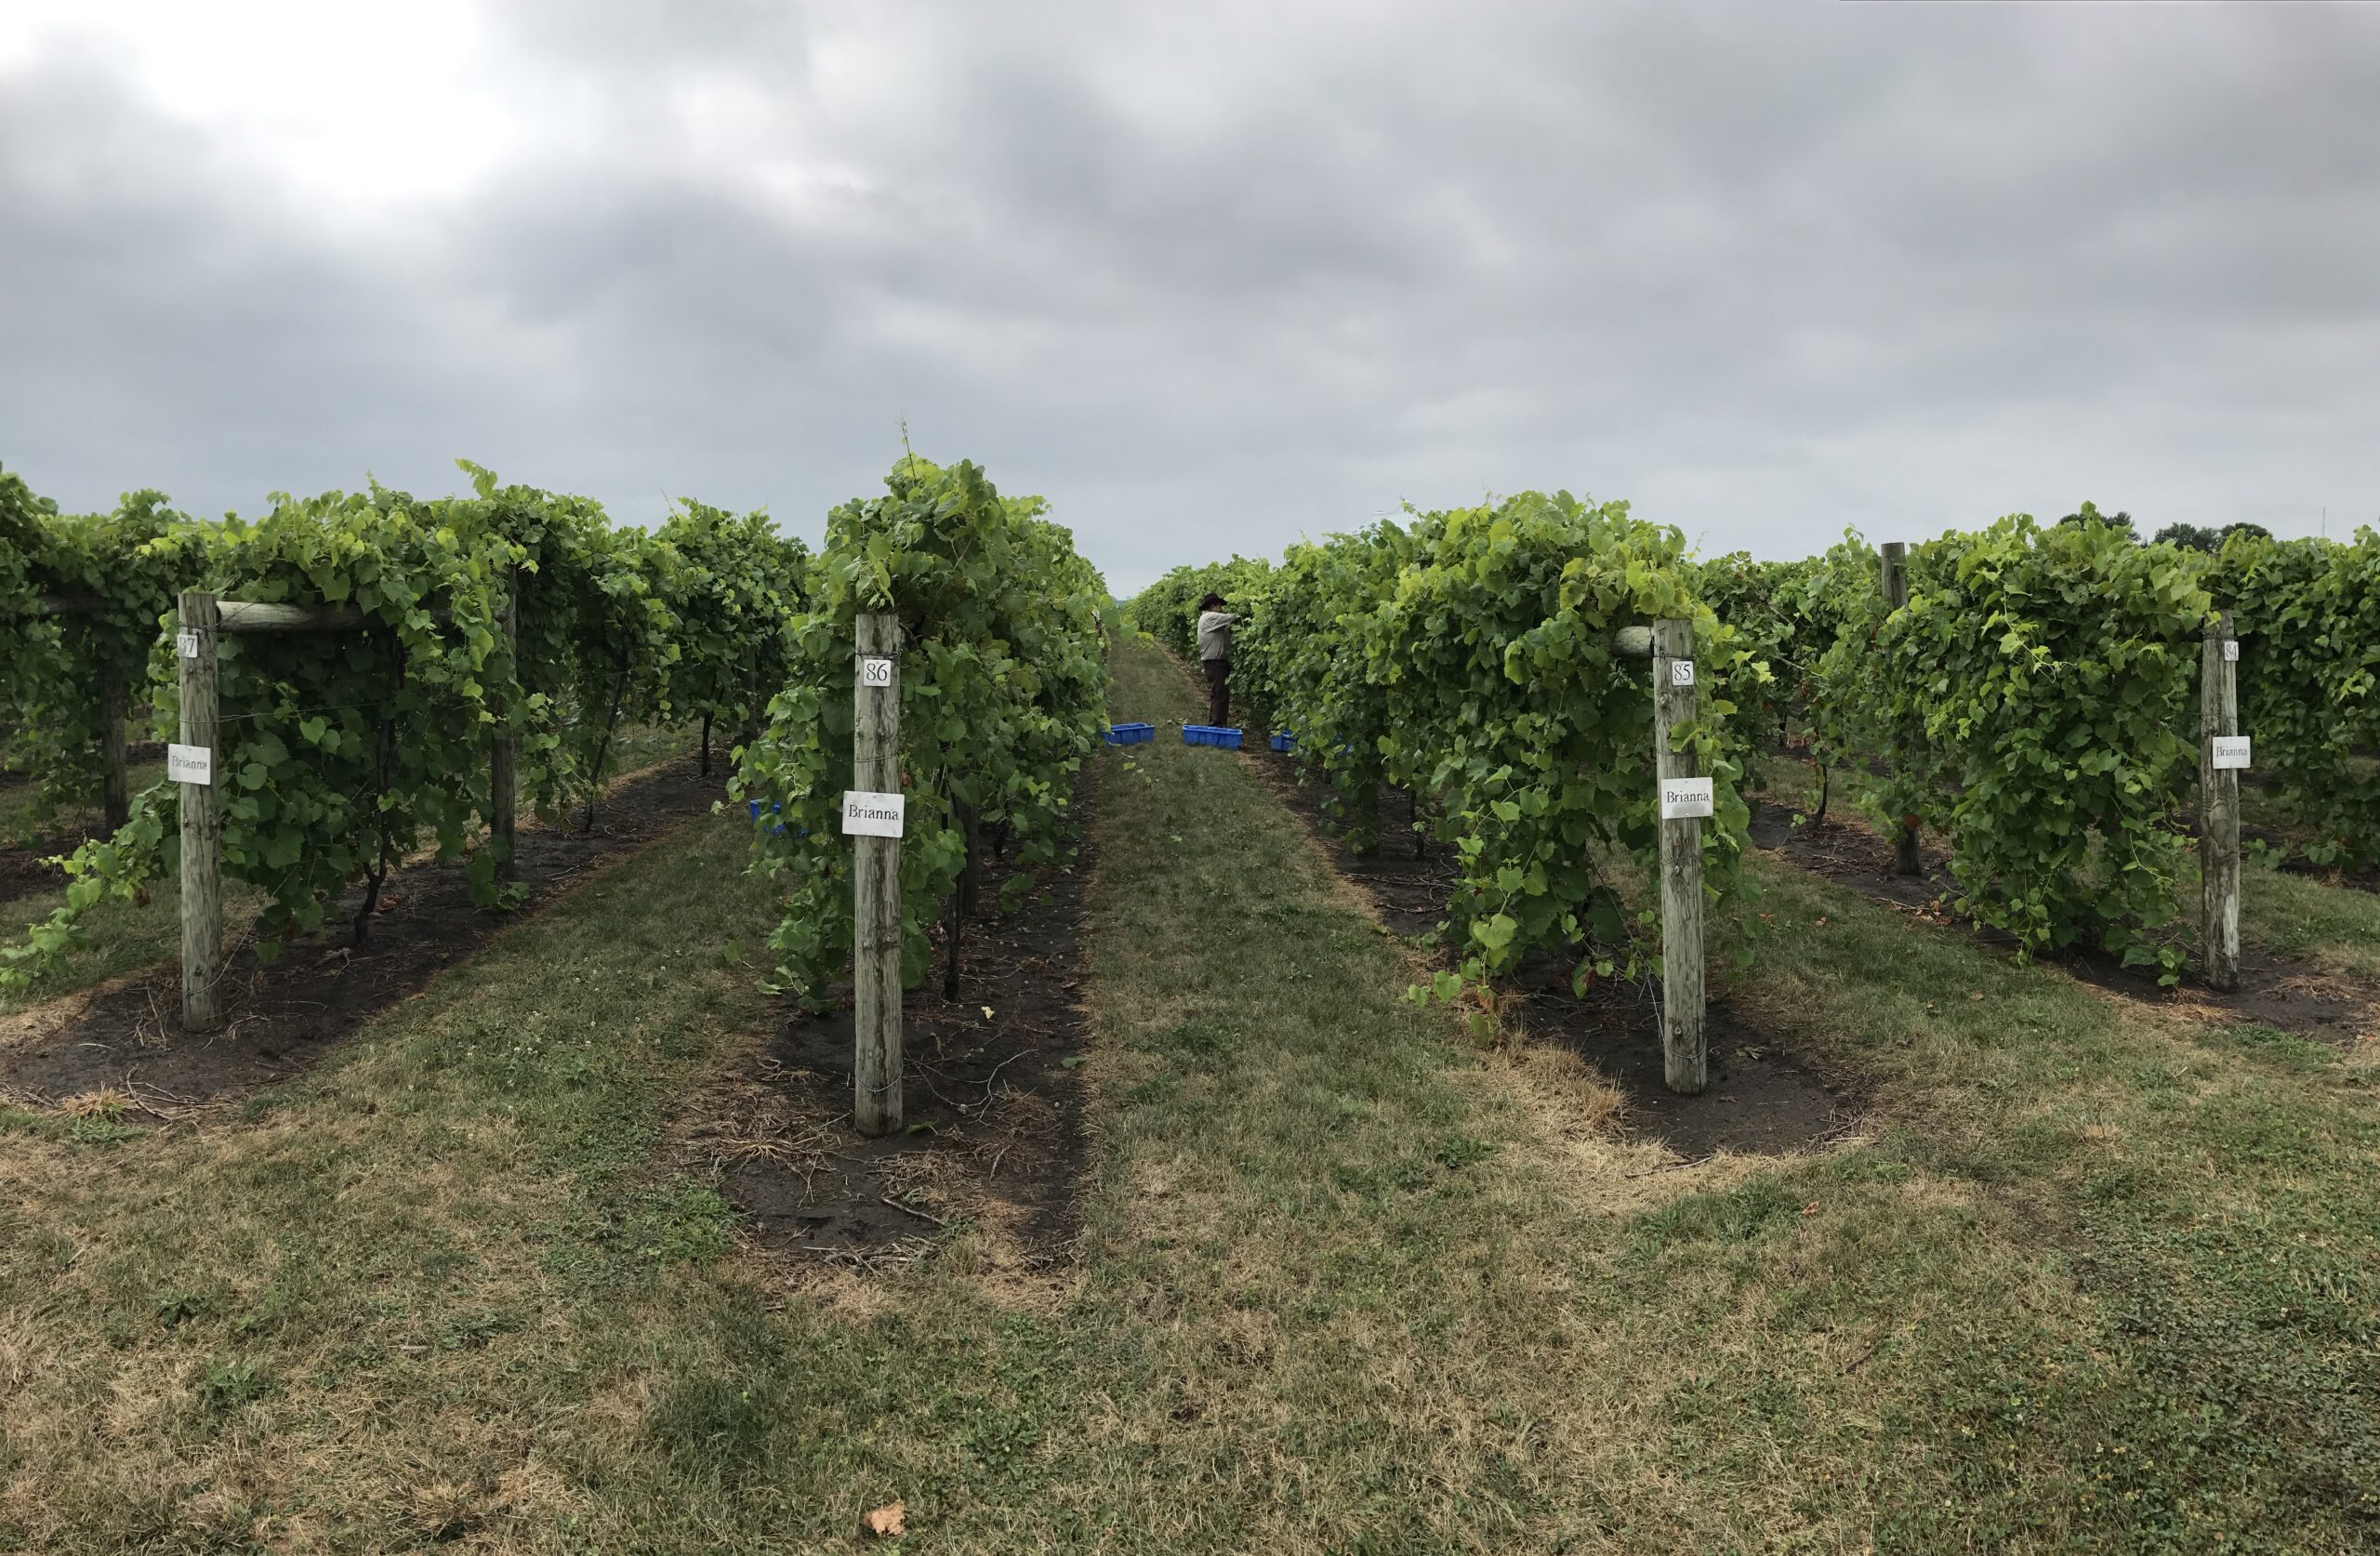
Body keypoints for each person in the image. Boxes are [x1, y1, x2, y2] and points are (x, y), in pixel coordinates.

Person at [1195, 592, 1238, 726]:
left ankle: (1215, 724)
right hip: (1215, 662)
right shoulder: (1209, 617)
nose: (1221, 609)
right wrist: (1241, 614)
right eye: (1220, 606)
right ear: (1213, 606)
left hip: (1214, 662)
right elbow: (1231, 617)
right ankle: (1217, 725)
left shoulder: (1209, 620)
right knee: (1220, 694)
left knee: (1218, 694)